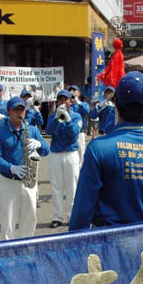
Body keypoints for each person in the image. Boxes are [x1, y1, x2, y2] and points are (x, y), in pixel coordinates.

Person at [69, 71, 143, 230]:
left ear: (116, 103)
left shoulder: (98, 148)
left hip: (106, 236)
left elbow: (83, 208)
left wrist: (74, 241)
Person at [0, 96, 50, 239]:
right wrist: (12, 168)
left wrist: (40, 144)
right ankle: (7, 248)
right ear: (8, 111)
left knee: (30, 217)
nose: (19, 113)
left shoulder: (32, 130)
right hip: (9, 181)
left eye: (21, 109)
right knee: (8, 220)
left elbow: (46, 150)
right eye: (15, 110)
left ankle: (27, 246)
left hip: (29, 181)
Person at [45, 89, 83, 228]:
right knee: (56, 187)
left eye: (65, 99)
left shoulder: (76, 116)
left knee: (72, 187)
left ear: (70, 102)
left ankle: (72, 216)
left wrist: (67, 120)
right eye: (60, 99)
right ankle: (57, 217)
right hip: (55, 153)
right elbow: (48, 131)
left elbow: (74, 136)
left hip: (70, 153)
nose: (62, 102)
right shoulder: (53, 116)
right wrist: (56, 118)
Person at [68, 85, 91, 158]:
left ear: (79, 93)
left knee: (81, 152)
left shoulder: (83, 104)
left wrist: (77, 101)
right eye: (70, 91)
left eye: (74, 91)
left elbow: (87, 111)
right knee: (70, 153)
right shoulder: (68, 105)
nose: (72, 92)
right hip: (69, 131)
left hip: (80, 132)